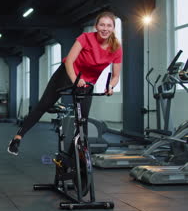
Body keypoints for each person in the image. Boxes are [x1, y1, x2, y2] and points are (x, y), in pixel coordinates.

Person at [7, 11, 122, 155]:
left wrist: (111, 86)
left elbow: (116, 76)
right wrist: (75, 80)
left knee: (83, 118)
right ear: (96, 27)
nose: (105, 28)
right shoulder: (85, 38)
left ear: (113, 28)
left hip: (87, 83)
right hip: (67, 73)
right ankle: (17, 138)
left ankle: (79, 152)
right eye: (102, 25)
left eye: (109, 25)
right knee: (44, 105)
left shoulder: (116, 48)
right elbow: (69, 61)